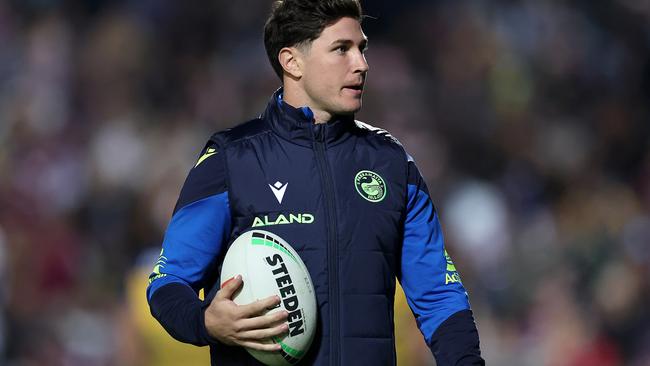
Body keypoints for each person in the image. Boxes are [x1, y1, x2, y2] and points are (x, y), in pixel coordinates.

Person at [146, 0, 484, 365]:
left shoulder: (392, 164)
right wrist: (205, 322)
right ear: (292, 62)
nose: (362, 64)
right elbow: (168, 281)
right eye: (342, 49)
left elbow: (439, 295)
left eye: (361, 48)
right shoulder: (232, 159)